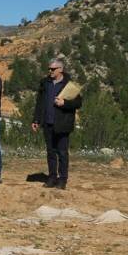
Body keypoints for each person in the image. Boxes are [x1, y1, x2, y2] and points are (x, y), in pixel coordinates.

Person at [32, 57, 82, 190]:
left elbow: (78, 103)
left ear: (61, 69)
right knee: (50, 152)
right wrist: (36, 120)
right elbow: (40, 103)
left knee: (62, 153)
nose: (50, 71)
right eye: (49, 68)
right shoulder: (45, 83)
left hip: (62, 124)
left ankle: (63, 179)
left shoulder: (69, 84)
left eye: (53, 69)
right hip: (47, 123)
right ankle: (52, 177)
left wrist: (64, 103)